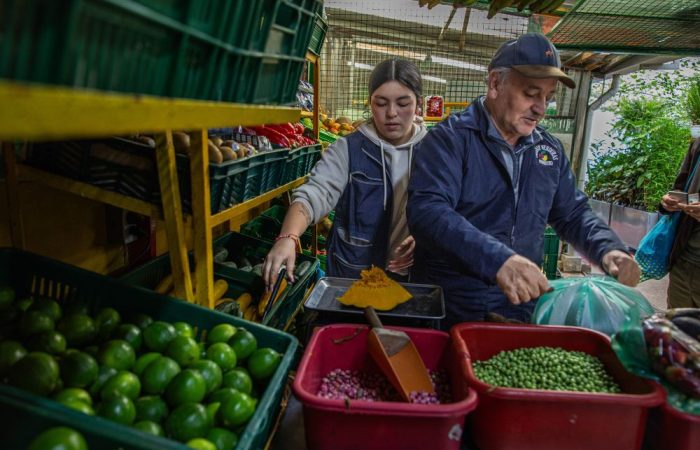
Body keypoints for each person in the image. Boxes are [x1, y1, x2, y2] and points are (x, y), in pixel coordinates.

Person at [406, 33, 640, 327]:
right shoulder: (450, 140)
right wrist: (498, 260)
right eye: (531, 93)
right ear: (495, 84)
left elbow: (572, 212)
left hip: (520, 303)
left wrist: (609, 249)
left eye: (547, 97)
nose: (541, 108)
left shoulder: (547, 150)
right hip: (454, 304)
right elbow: (428, 212)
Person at [262, 59, 428, 290]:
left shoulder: (434, 151)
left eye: (403, 103)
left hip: (411, 279)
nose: (391, 113)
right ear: (370, 103)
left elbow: (449, 208)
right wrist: (288, 237)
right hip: (352, 277)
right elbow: (316, 192)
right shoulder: (348, 150)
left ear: (418, 104)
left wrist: (428, 238)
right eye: (381, 103)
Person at [661, 137, 700, 308]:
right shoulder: (697, 143)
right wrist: (669, 201)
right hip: (685, 262)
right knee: (677, 331)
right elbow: (681, 186)